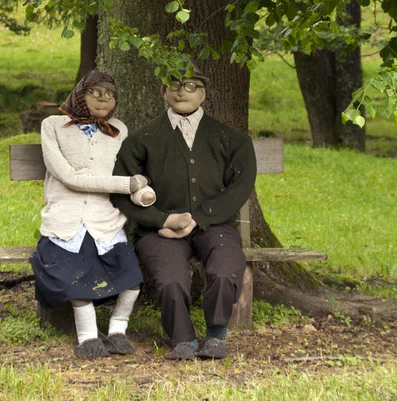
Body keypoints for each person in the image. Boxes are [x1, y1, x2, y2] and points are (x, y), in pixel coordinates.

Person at [111, 65, 257, 360]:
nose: (181, 91)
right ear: (163, 92)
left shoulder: (231, 139)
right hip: (159, 231)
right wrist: (161, 220)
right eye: (173, 84)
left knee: (226, 266)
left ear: (203, 93)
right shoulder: (143, 140)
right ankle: (183, 339)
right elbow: (120, 190)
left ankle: (216, 335)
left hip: (214, 225)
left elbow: (240, 187)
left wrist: (201, 217)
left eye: (191, 85)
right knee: (170, 278)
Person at [31, 70, 154, 360]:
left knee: (132, 276)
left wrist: (140, 190)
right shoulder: (53, 125)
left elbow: (128, 172)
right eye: (95, 92)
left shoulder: (119, 129)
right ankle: (87, 338)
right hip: (66, 219)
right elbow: (69, 177)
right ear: (80, 94)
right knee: (74, 278)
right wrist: (125, 184)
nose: (103, 100)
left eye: (109, 94)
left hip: (105, 219)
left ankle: (117, 331)